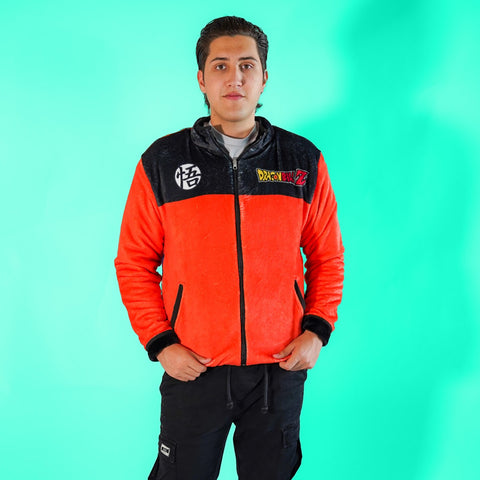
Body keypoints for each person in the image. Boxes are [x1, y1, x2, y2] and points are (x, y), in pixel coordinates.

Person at [115, 16, 344, 480]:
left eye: (246, 65)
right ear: (202, 79)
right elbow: (134, 261)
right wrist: (162, 344)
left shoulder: (301, 160)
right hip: (194, 367)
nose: (234, 77)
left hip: (278, 368)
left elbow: (327, 256)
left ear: (264, 78)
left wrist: (317, 330)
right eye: (220, 66)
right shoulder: (163, 161)